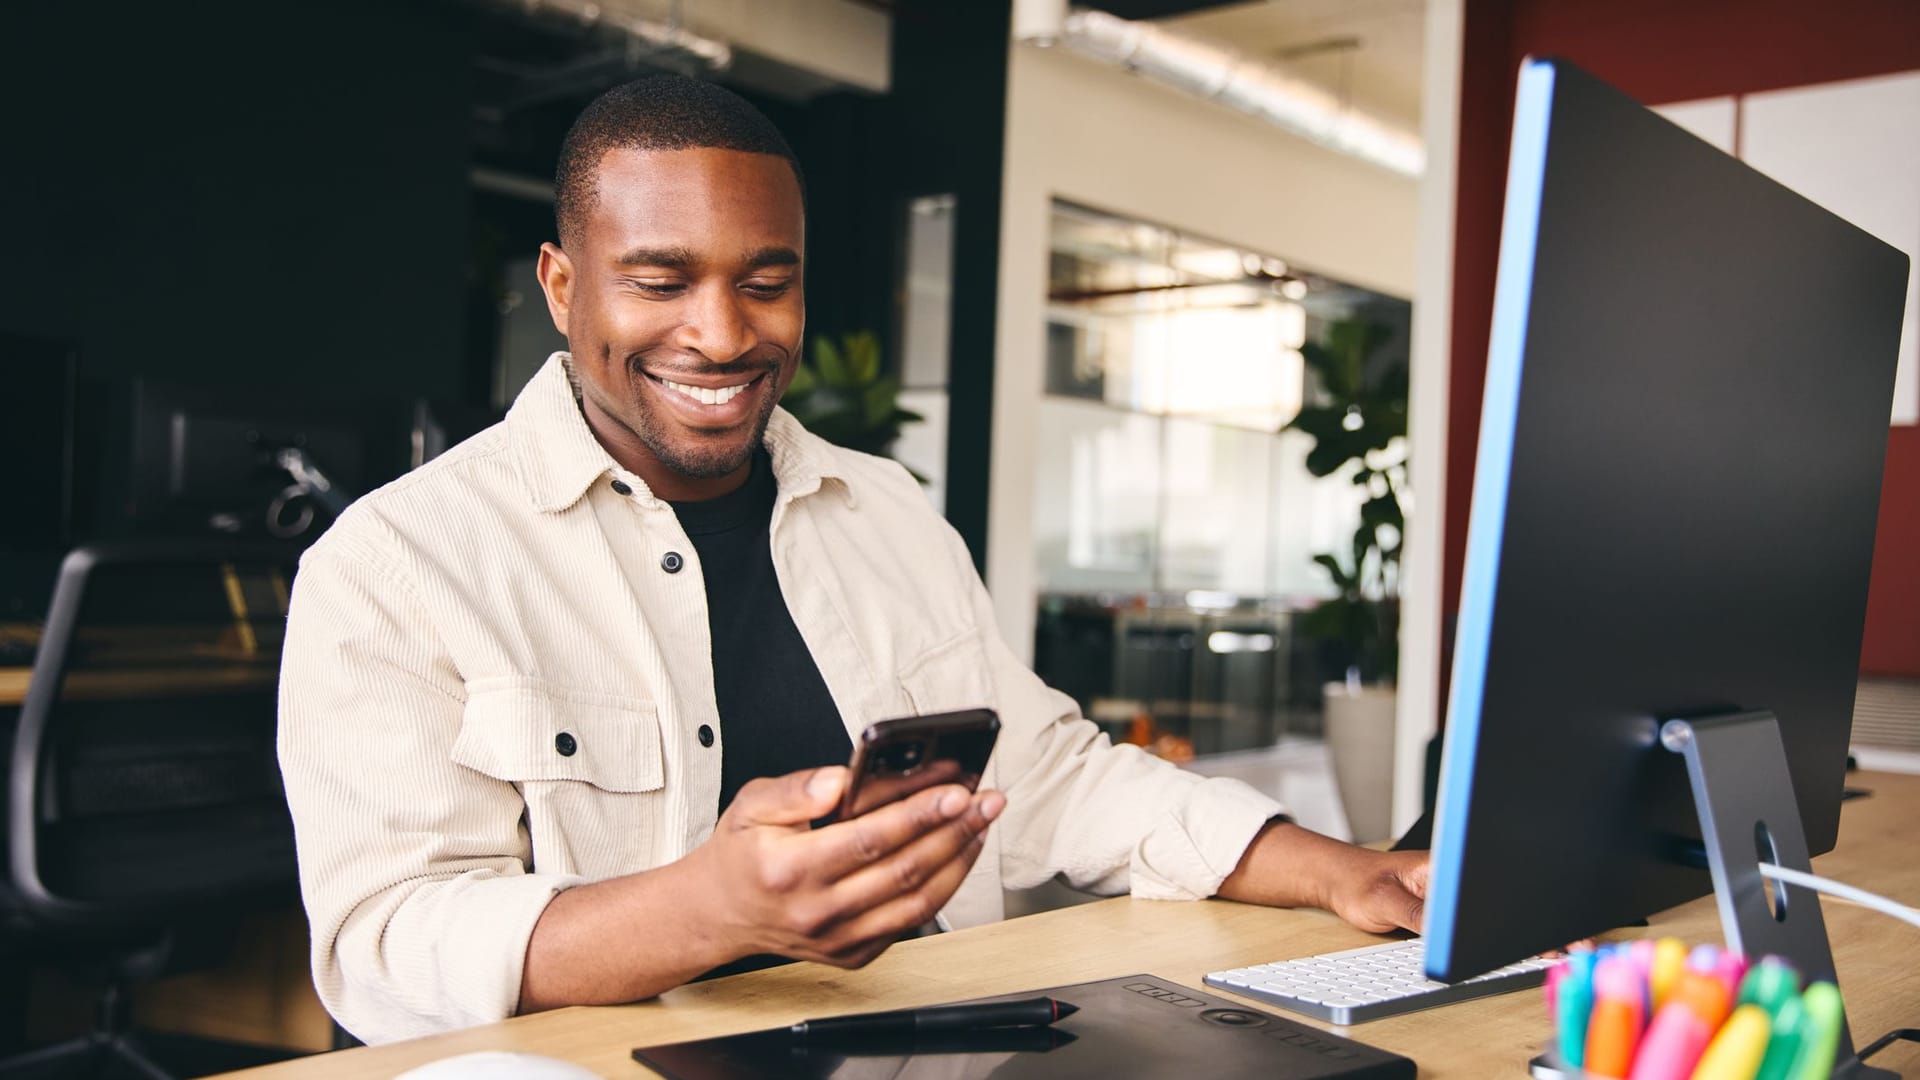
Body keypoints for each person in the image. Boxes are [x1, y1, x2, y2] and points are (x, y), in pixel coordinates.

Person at [277, 75, 1428, 1046]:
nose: (723, 336)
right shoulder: (397, 563)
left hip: (936, 1045)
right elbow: (382, 944)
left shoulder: (883, 510)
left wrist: (1334, 869)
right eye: (660, 282)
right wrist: (711, 910)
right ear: (564, 286)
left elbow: (1049, 775)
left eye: (765, 283)